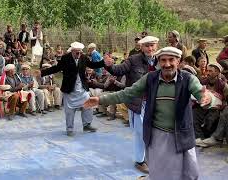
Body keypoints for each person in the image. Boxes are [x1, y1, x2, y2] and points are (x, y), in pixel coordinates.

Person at [84, 47, 213, 180]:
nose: (167, 64)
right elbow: (127, 93)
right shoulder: (150, 78)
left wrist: (207, 99)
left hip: (181, 135)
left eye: (171, 60)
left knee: (188, 173)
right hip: (157, 135)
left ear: (178, 61)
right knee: (159, 172)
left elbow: (201, 94)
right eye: (163, 60)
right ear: (159, 61)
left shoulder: (188, 79)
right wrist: (100, 99)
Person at [103, 36, 160, 173]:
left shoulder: (160, 61)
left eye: (152, 45)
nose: (149, 48)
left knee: (154, 131)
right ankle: (140, 161)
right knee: (140, 133)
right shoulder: (133, 60)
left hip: (154, 103)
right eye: (146, 45)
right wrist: (109, 65)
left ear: (156, 46)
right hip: (137, 103)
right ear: (141, 47)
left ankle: (150, 157)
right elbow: (118, 70)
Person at [37, 41, 105, 136]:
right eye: (77, 52)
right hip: (69, 89)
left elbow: (93, 65)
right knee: (69, 111)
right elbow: (56, 68)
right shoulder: (65, 58)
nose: (79, 54)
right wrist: (42, 73)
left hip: (81, 88)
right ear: (72, 51)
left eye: (81, 52)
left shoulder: (83, 57)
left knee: (88, 105)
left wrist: (104, 62)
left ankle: (87, 125)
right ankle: (69, 129)